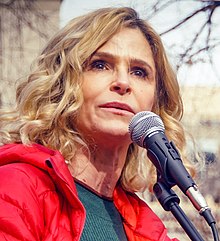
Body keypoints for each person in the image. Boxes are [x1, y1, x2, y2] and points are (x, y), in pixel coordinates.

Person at [0, 7, 196, 241]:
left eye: (139, 72)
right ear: (63, 85)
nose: (123, 83)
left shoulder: (148, 228)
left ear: (155, 102)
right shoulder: (14, 188)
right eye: (100, 65)